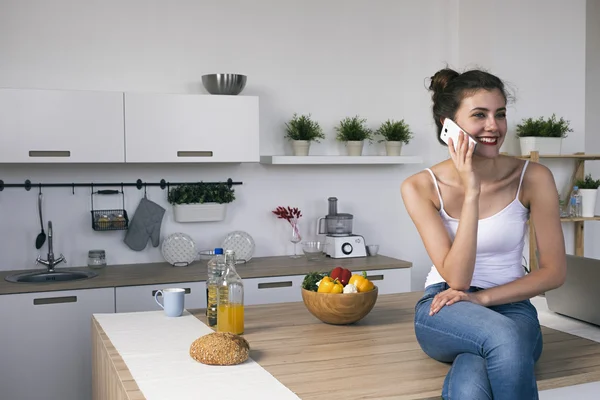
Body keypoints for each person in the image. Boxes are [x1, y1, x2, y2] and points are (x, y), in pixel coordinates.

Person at [401, 68, 567, 400]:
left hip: (512, 308)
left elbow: (554, 272)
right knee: (503, 338)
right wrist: (471, 191)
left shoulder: (533, 177)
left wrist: (483, 299)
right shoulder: (420, 187)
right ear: (449, 125)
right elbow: (458, 281)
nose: (494, 126)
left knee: (471, 380)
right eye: (480, 115)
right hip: (445, 306)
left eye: (500, 114)